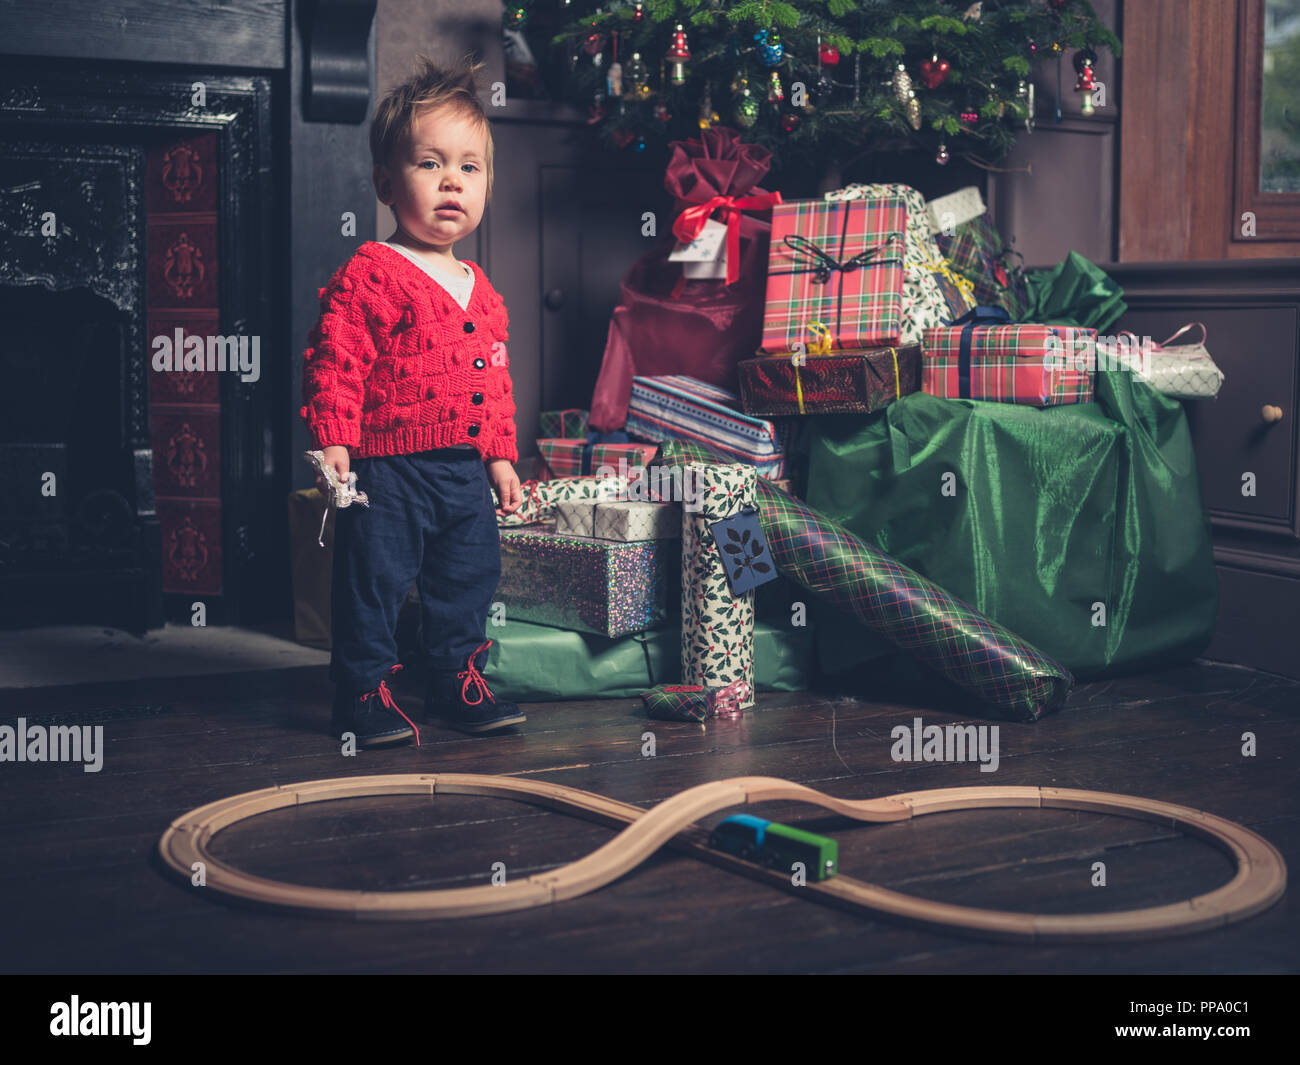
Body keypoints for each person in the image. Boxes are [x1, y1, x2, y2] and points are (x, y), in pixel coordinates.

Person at [300, 54, 525, 747]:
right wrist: (335, 440)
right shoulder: (373, 270)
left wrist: (500, 457)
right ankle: (362, 690)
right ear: (385, 182)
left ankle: (455, 674)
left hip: (462, 471)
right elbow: (337, 360)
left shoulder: (481, 289)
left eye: (469, 167)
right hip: (390, 469)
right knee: (375, 577)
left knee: (469, 575)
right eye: (429, 164)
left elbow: (493, 383)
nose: (451, 181)